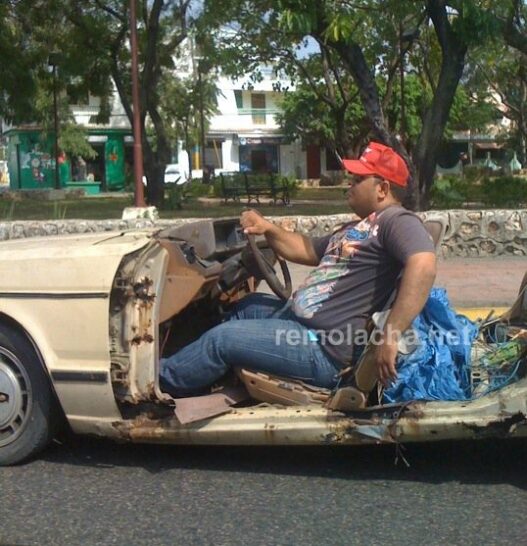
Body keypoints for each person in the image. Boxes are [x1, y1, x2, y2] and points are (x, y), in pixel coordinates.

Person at [159, 141, 437, 397]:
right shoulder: (360, 227)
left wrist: (391, 334)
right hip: (300, 322)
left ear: (383, 189)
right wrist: (268, 228)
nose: (349, 184)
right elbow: (306, 249)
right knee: (245, 306)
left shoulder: (396, 221)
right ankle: (196, 373)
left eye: (358, 179)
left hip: (323, 348)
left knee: (221, 340)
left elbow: (423, 265)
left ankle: (159, 383)